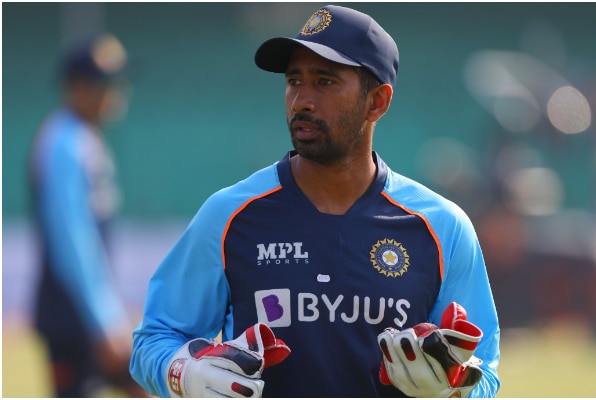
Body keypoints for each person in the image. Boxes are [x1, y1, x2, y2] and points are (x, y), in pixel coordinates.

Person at [130, 5, 500, 398]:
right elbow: (155, 339)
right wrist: (182, 373)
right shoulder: (229, 215)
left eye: (325, 81)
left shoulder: (442, 227)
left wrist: (453, 391)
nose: (301, 100)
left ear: (377, 102)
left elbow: (485, 374)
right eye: (294, 80)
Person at [29, 33, 146, 397]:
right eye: (103, 83)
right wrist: (105, 319)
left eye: (117, 82)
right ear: (75, 87)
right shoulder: (66, 142)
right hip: (71, 319)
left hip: (80, 314)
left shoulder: (83, 138)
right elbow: (73, 239)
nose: (115, 92)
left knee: (145, 384)